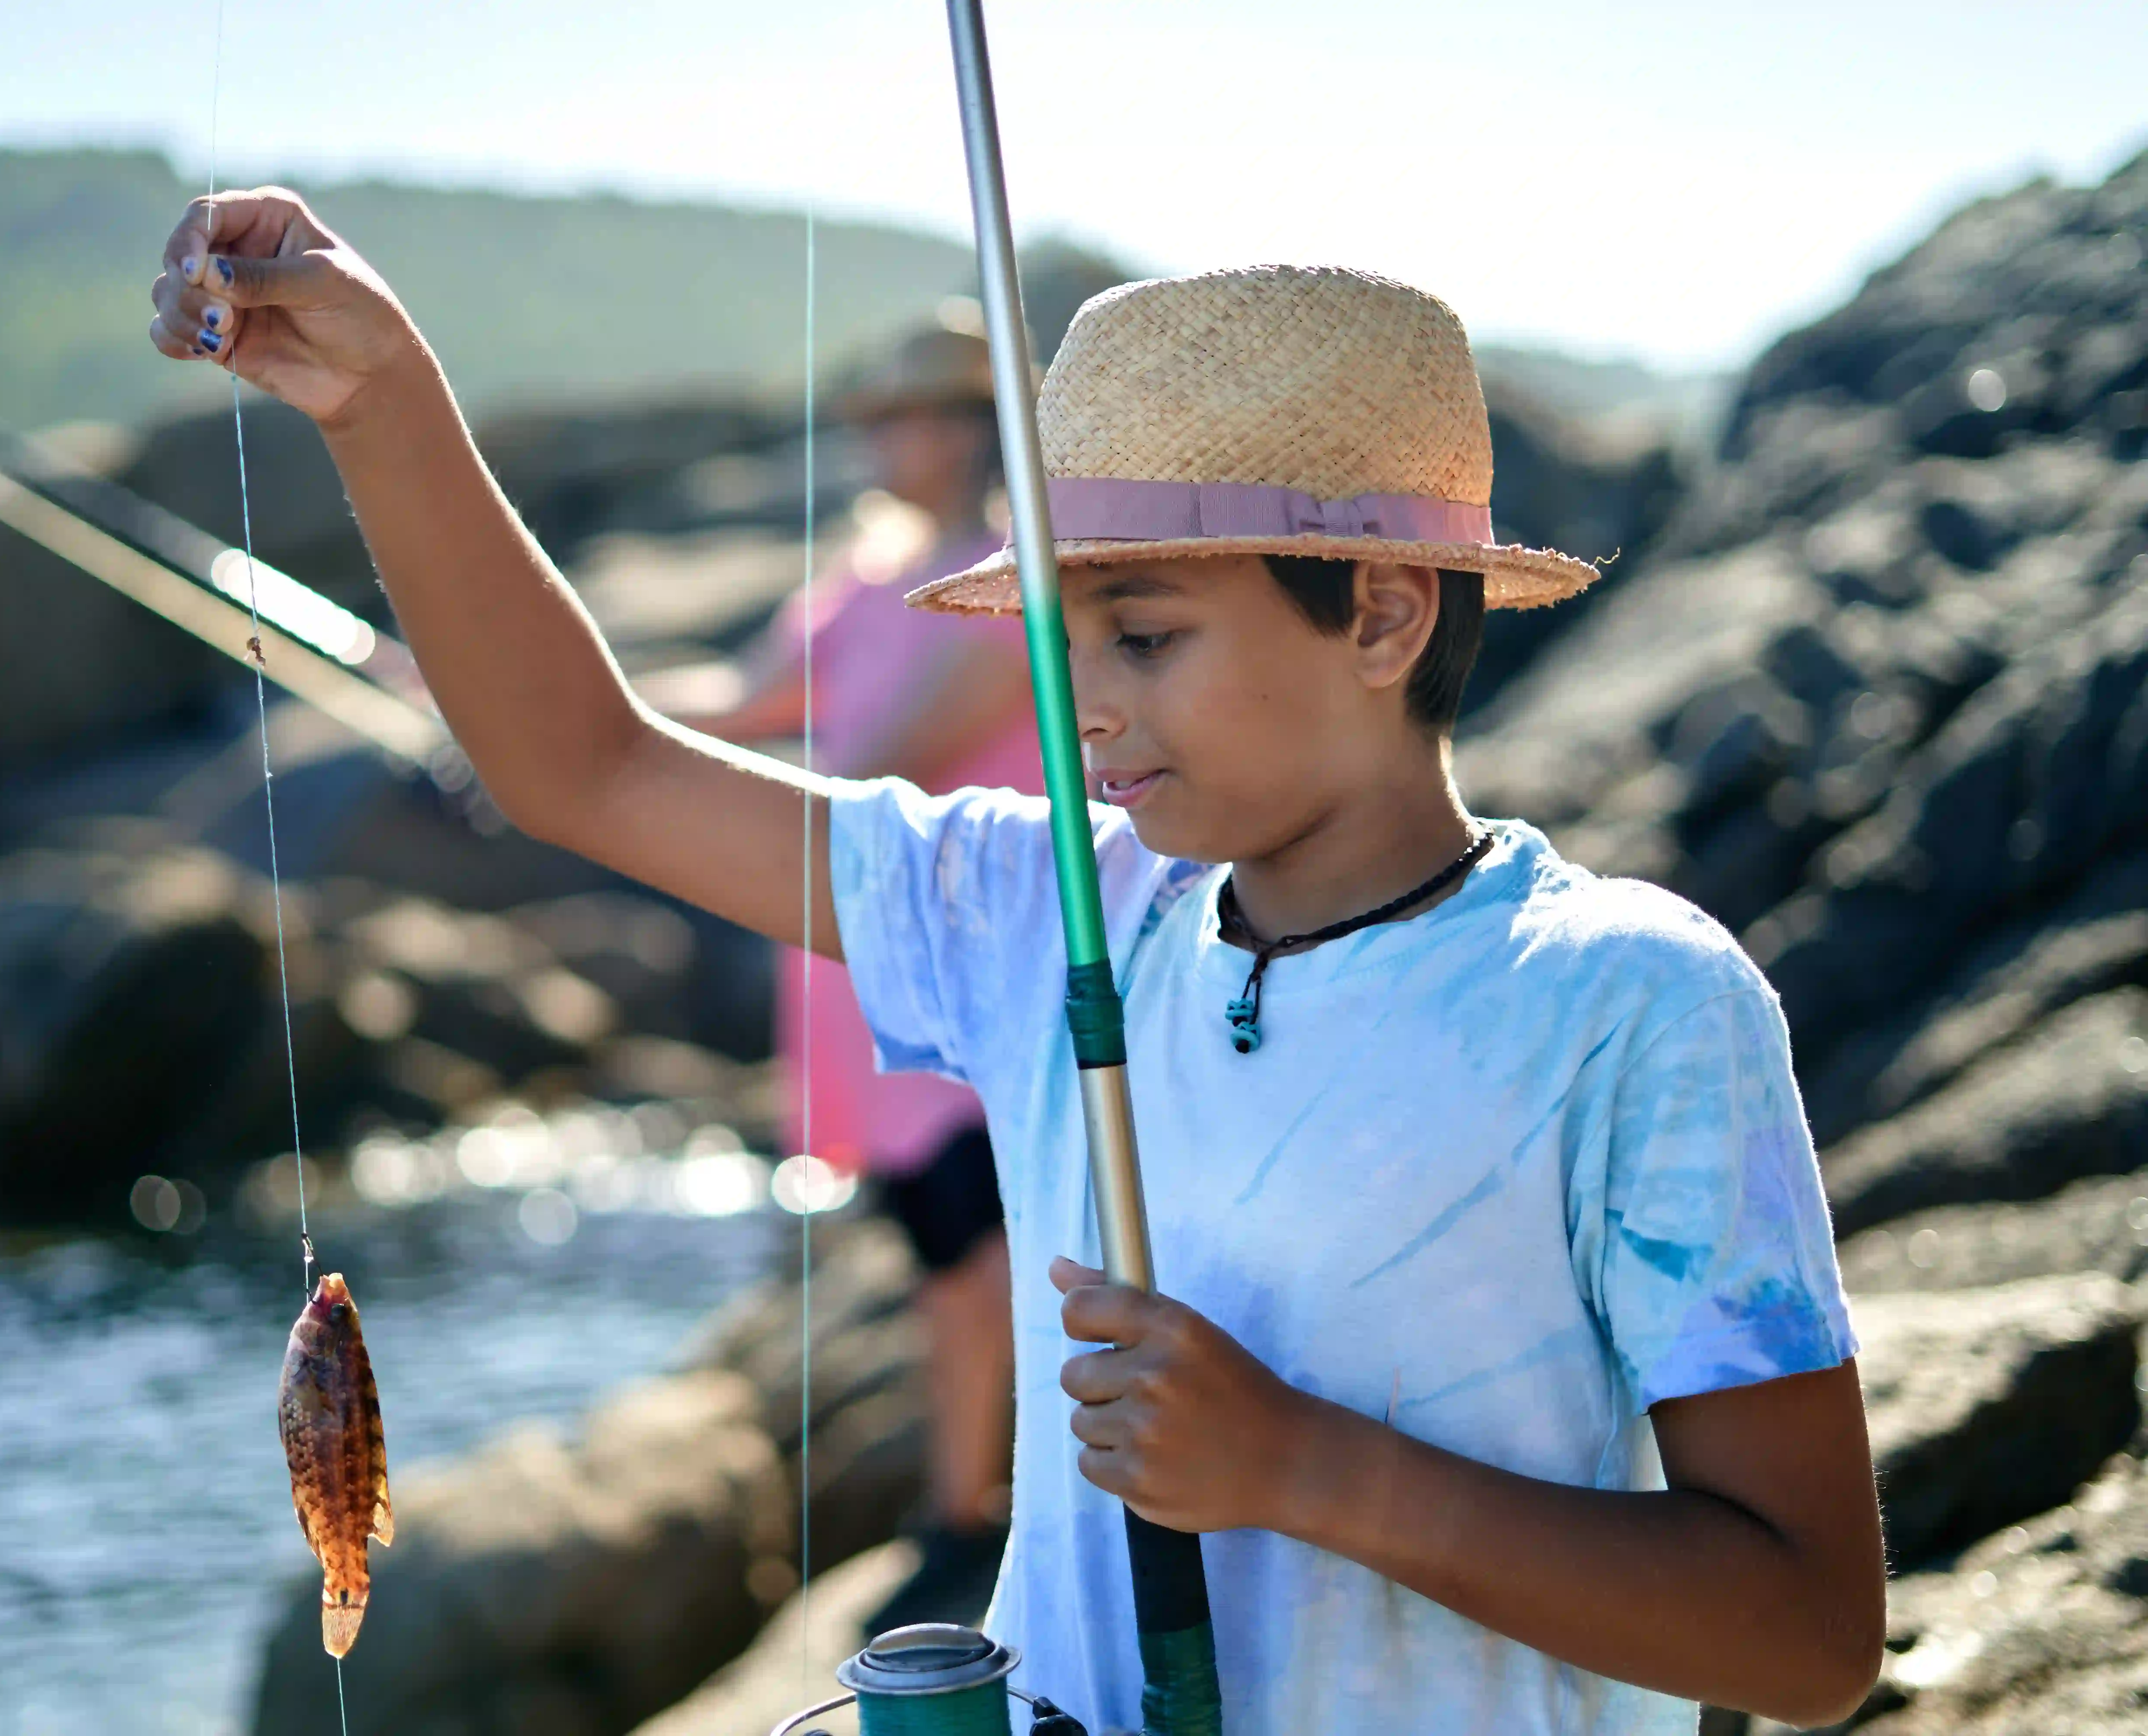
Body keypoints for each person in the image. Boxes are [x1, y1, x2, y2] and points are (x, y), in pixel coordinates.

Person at [149, 199, 1886, 1734]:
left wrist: (1305, 1469)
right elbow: (584, 767)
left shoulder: (1635, 1002)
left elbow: (1806, 1635)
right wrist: (380, 401)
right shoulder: (1047, 904)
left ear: (1379, 611)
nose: (1083, 704)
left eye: (1143, 633)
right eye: (1063, 640)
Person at [677, 308, 1038, 1632]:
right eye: (883, 414)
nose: (893, 438)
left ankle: (974, 1516)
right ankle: (966, 1508)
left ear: (976, 429)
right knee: (945, 1248)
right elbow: (726, 711)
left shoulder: (1012, 578)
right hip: (861, 985)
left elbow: (877, 756)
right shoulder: (849, 583)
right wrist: (466, 683)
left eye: (921, 413)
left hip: (969, 980)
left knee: (981, 1253)